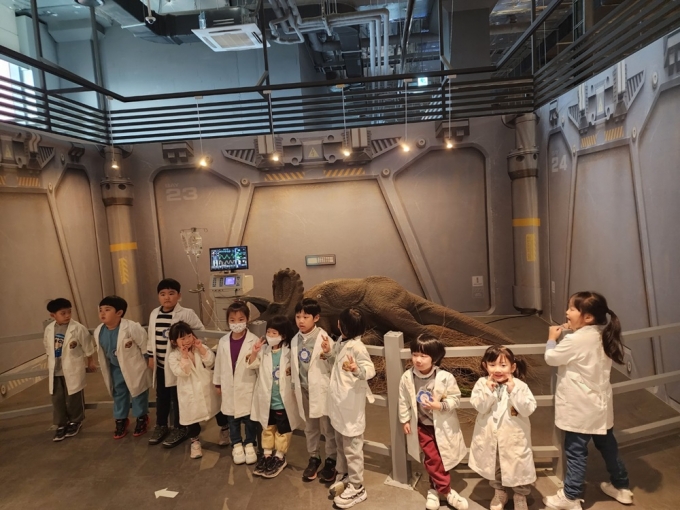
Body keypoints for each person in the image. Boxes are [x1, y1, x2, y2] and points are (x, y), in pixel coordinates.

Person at [543, 291, 633, 510]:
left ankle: (571, 497)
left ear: (588, 317)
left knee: (576, 451)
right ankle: (621, 487)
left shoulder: (576, 340)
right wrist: (572, 330)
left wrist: (551, 339)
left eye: (572, 309)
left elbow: (552, 358)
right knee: (608, 447)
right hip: (600, 407)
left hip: (580, 407)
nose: (567, 312)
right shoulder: (603, 334)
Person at [398, 334, 468, 510]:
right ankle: (447, 491)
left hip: (443, 425)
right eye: (415, 354)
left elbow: (455, 398)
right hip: (423, 426)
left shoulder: (444, 377)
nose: (418, 360)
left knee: (441, 457)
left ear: (434, 358)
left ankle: (434, 489)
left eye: (423, 356)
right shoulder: (407, 377)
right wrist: (405, 419)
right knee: (433, 458)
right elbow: (403, 400)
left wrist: (440, 405)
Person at [469, 346, 536, 510]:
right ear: (485, 366)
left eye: (503, 365)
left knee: (519, 465)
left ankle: (520, 495)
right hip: (491, 436)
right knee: (495, 464)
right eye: (492, 365)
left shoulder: (520, 386)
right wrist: (488, 390)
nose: (497, 369)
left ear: (512, 367)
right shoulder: (481, 384)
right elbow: (480, 407)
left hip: (514, 437)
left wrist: (514, 392)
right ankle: (499, 492)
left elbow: (528, 409)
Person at [322, 308, 375, 508]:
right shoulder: (341, 341)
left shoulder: (357, 347)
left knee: (352, 447)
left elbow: (370, 370)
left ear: (340, 325)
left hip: (350, 405)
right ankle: (344, 474)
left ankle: (358, 486)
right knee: (340, 442)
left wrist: (356, 369)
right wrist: (329, 352)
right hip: (339, 404)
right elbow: (336, 360)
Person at [147, 278, 205, 448]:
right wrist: (151, 357)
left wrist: (190, 347)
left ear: (179, 295)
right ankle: (161, 425)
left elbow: (200, 331)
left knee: (178, 396)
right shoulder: (154, 314)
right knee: (162, 396)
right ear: (158, 296)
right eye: (163, 294)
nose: (167, 297)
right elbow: (151, 336)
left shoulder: (186, 313)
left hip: (179, 364)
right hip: (160, 365)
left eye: (171, 293)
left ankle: (181, 427)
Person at [247, 315, 303, 478]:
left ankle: (279, 456)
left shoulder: (289, 352)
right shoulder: (264, 351)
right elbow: (252, 364)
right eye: (268, 332)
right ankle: (266, 455)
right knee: (267, 427)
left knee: (283, 430)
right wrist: (254, 352)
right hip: (267, 400)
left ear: (283, 335)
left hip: (283, 401)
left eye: (274, 333)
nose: (270, 336)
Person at [291, 298, 338, 482]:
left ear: (316, 318)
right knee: (310, 427)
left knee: (328, 427)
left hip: (321, 391)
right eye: (298, 317)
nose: (301, 321)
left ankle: (331, 459)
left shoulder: (325, 340)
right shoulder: (295, 340)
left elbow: (335, 366)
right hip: (303, 390)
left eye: (305, 317)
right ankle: (314, 457)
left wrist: (328, 353)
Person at [94, 295, 151, 439]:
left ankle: (141, 417)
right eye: (100, 310)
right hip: (115, 368)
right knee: (119, 393)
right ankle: (121, 419)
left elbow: (144, 345)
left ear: (119, 313)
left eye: (107, 310)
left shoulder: (132, 327)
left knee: (138, 392)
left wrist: (148, 361)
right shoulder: (99, 331)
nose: (102, 313)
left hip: (134, 367)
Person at [44, 298, 97, 441]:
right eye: (63, 313)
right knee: (57, 398)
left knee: (74, 396)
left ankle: (75, 421)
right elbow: (47, 346)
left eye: (69, 312)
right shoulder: (49, 329)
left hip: (72, 368)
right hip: (56, 370)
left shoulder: (78, 328)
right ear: (53, 315)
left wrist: (90, 361)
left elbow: (87, 345)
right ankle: (61, 423)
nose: (67, 315)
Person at [213, 300, 259, 465]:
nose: (236, 323)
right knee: (232, 419)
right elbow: (219, 363)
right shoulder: (224, 341)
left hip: (247, 385)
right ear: (228, 321)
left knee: (250, 419)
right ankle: (237, 444)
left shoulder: (253, 340)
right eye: (232, 320)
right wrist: (218, 383)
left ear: (247, 319)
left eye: (240, 319)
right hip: (229, 386)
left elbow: (258, 365)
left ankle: (250, 443)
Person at [167, 321, 219, 459]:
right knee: (192, 419)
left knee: (218, 410)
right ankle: (195, 443)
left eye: (189, 336)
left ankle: (224, 431)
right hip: (189, 391)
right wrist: (184, 356)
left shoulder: (199, 347)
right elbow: (181, 372)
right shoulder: (173, 356)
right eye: (182, 338)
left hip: (206, 386)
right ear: (174, 342)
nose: (187, 340)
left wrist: (201, 348)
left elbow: (210, 361)